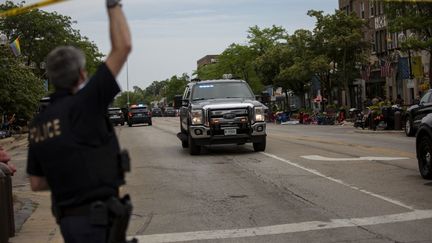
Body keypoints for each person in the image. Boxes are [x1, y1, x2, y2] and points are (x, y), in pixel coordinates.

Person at [26, 0, 133, 242]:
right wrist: (113, 5)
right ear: (82, 74)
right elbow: (123, 46)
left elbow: (36, 182)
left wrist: (68, 181)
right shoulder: (87, 103)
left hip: (68, 222)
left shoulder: (39, 123)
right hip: (96, 222)